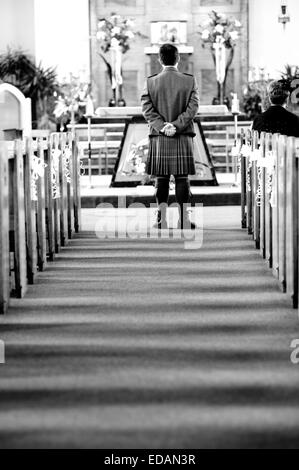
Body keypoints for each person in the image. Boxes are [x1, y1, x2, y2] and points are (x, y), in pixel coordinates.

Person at [141, 43, 200, 230]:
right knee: (182, 178)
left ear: (159, 59)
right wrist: (175, 126)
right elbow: (193, 108)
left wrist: (162, 127)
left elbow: (147, 110)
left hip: (160, 137)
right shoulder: (189, 80)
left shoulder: (151, 82)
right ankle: (183, 219)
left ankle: (161, 219)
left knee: (161, 179)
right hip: (182, 135)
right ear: (178, 58)